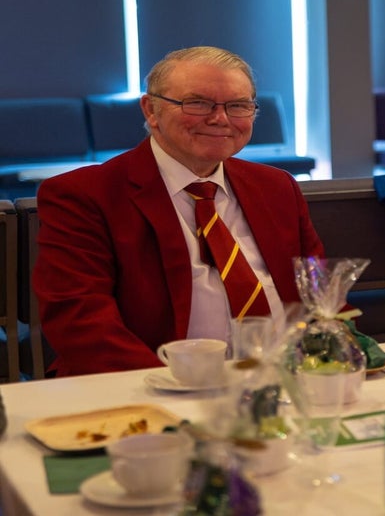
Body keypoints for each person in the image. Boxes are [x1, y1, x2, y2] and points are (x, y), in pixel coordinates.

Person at [35, 46, 324, 376]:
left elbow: (319, 295)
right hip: (147, 389)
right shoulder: (84, 195)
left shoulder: (277, 187)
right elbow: (81, 323)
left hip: (284, 382)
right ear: (151, 110)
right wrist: (183, 387)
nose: (220, 118)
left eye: (237, 106)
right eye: (197, 103)